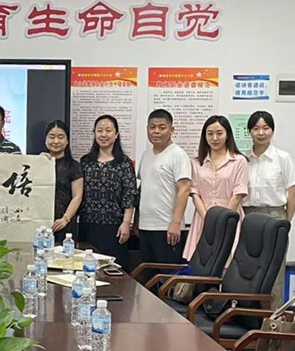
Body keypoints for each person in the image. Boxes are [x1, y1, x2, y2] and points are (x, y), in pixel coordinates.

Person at [243, 111, 295, 307]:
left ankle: (273, 317)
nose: (261, 133)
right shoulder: (243, 159)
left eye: (266, 128)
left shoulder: (283, 158)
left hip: (275, 215)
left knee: (274, 271)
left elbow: (293, 193)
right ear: (249, 132)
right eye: (256, 128)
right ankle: (249, 317)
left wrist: (286, 221)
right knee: (249, 268)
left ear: (272, 131)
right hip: (249, 217)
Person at [183, 115, 248, 262]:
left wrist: (223, 221)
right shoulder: (196, 163)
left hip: (231, 219)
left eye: (219, 133)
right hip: (203, 218)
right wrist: (209, 220)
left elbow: (238, 194)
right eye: (210, 134)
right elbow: (195, 194)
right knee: (203, 264)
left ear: (227, 135)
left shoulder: (239, 161)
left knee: (229, 263)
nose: (215, 138)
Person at [136, 109, 191, 279]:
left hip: (167, 228)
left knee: (167, 279)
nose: (156, 131)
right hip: (145, 227)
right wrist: (136, 220)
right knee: (148, 278)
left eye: (162, 127)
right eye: (152, 127)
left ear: (172, 130)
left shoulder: (178, 154)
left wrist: (176, 223)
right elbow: (143, 188)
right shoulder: (146, 155)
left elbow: (184, 189)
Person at [79, 115, 137, 270]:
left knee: (114, 271)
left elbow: (130, 195)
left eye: (108, 130)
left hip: (114, 227)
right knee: (87, 269)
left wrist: (126, 223)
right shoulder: (85, 162)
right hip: (87, 225)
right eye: (99, 131)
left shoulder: (124, 163)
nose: (103, 134)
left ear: (116, 134)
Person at [40, 120, 83, 244]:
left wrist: (65, 218)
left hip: (65, 223)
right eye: (51, 137)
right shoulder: (38, 163)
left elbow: (77, 196)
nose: (56, 141)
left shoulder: (74, 166)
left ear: (67, 140)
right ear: (45, 139)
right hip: (41, 223)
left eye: (60, 137)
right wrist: (38, 162)